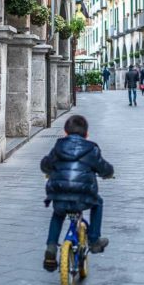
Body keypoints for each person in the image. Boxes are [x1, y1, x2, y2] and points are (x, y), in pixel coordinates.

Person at [40, 114, 114, 271]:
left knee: (58, 214)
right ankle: (94, 240)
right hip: (83, 197)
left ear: (65, 133)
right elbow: (104, 168)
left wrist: (48, 170)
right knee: (98, 203)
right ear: (86, 134)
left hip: (59, 194)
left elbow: (46, 164)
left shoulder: (58, 147)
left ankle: (51, 247)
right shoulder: (91, 149)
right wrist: (108, 174)